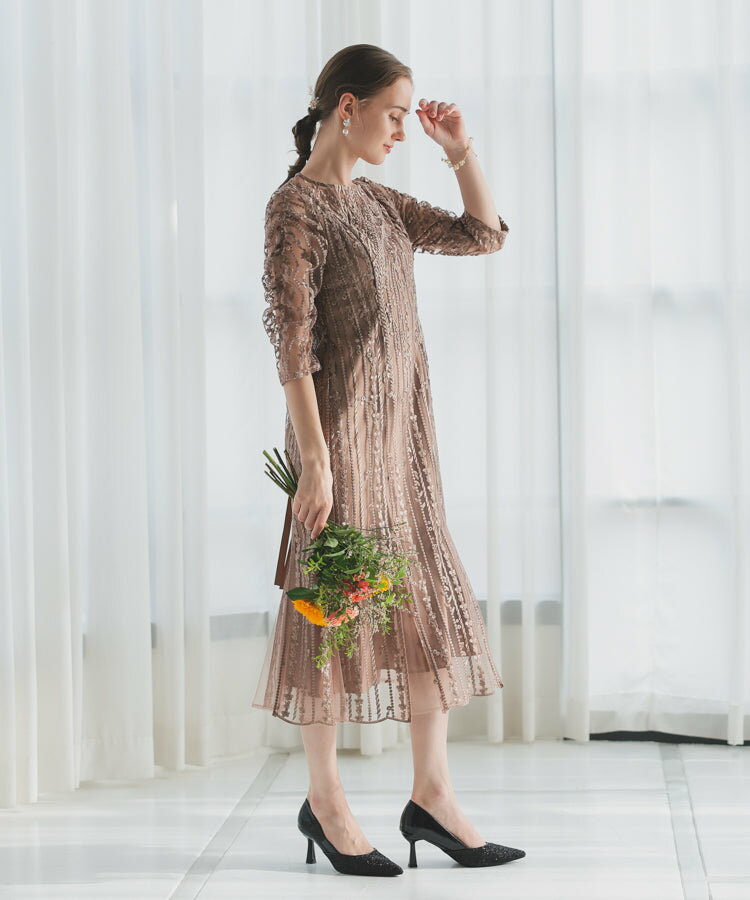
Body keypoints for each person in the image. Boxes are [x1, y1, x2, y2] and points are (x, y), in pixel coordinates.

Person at [253, 43, 525, 876]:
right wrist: (316, 459)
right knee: (331, 612)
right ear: (348, 106)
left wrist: (461, 152)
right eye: (396, 115)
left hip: (404, 437)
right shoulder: (295, 208)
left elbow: (482, 235)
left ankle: (432, 793)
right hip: (338, 440)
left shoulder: (379, 201)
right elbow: (292, 343)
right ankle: (326, 801)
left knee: (423, 603)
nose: (403, 131)